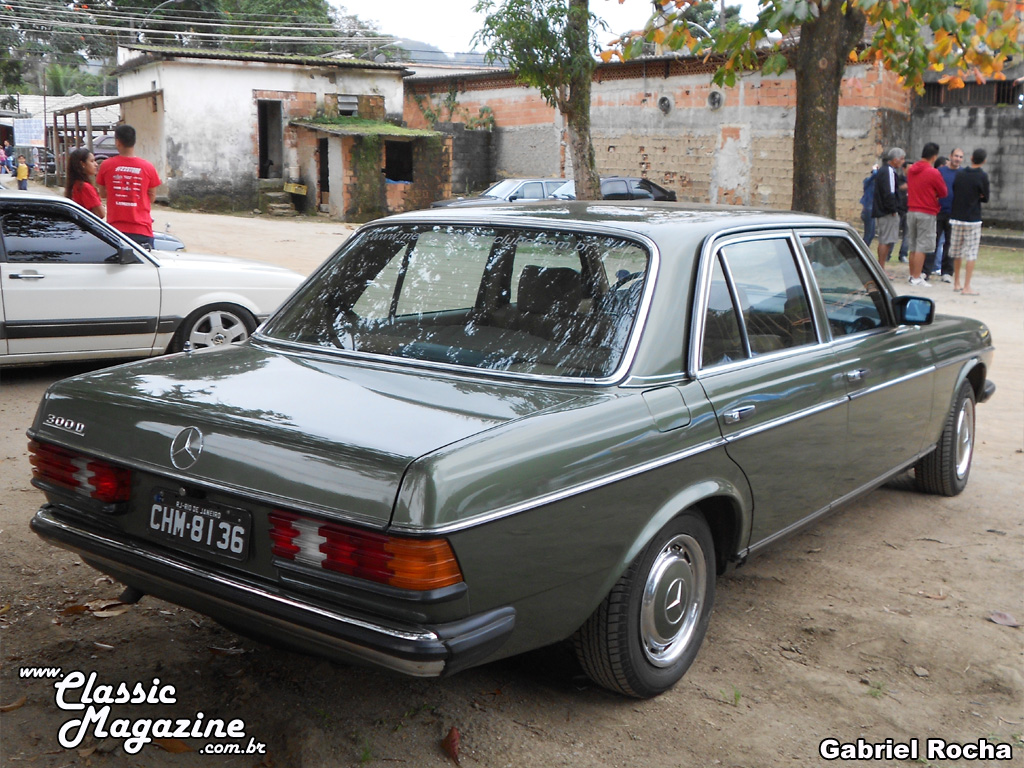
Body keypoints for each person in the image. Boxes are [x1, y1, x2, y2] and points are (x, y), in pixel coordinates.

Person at [95, 124, 162, 248]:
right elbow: (152, 197)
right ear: (134, 141)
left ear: (118, 142)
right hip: (142, 230)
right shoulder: (148, 167)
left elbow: (103, 193)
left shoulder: (106, 165)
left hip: (115, 230)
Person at [904, 142, 947, 286]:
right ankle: (917, 277)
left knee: (913, 245)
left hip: (911, 210)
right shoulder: (933, 172)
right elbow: (943, 192)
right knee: (922, 246)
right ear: (934, 157)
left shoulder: (911, 170)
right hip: (926, 211)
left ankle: (912, 275)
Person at [949, 148, 990, 296]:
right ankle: (967, 286)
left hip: (957, 216)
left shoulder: (960, 174)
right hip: (972, 218)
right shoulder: (982, 176)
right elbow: (986, 197)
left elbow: (955, 189)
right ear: (983, 161)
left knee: (957, 251)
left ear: (971, 158)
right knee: (971, 253)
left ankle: (956, 282)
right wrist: (978, 196)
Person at [872, 147, 905, 271]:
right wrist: (893, 209)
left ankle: (881, 267)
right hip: (887, 212)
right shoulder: (889, 172)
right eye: (901, 159)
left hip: (883, 211)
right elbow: (889, 192)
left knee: (885, 240)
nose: (903, 162)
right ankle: (881, 268)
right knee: (885, 240)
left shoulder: (884, 170)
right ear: (895, 160)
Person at [935, 147, 963, 283]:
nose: (958, 159)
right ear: (950, 156)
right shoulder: (940, 172)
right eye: (956, 156)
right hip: (939, 211)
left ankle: (947, 272)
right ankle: (926, 271)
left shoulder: (963, 174)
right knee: (933, 242)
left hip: (955, 214)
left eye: (960, 157)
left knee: (950, 244)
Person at [64, 147, 105, 218]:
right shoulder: (85, 187)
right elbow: (101, 214)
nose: (96, 164)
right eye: (92, 161)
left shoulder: (75, 184)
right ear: (82, 164)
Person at [859, 163, 878, 246]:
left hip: (872, 210)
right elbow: (875, 175)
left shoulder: (876, 185)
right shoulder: (868, 181)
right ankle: (862, 251)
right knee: (868, 234)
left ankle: (865, 250)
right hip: (867, 209)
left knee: (872, 234)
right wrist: (875, 169)